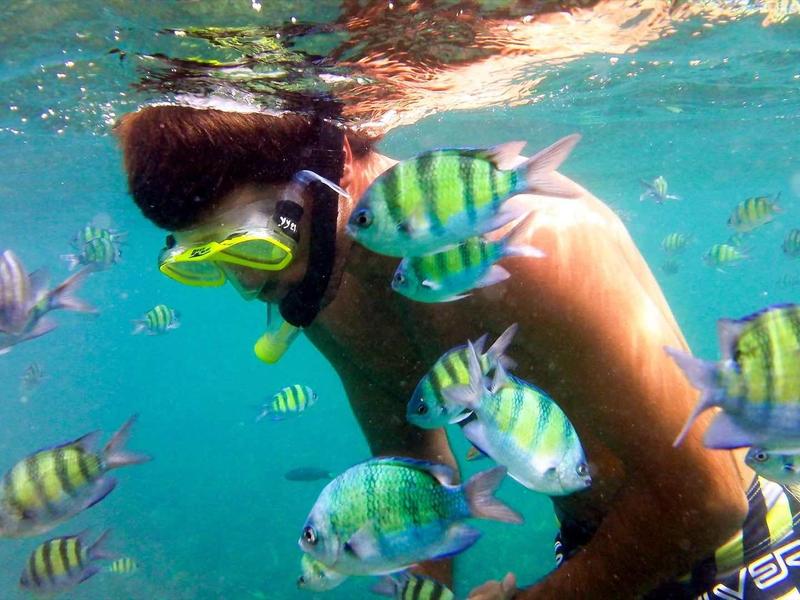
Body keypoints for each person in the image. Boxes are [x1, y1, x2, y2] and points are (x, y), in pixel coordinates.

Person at [114, 103, 777, 599]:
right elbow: (409, 476)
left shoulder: (532, 248)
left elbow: (706, 497)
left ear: (326, 169)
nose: (249, 286)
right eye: (205, 263)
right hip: (593, 557)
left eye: (255, 247)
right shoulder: (325, 290)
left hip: (738, 557)